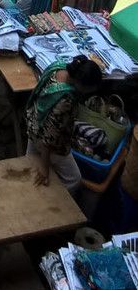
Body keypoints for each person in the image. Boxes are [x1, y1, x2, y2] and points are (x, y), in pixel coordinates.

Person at [25, 54, 102, 193]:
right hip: (45, 140)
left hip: (33, 123)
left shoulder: (56, 68)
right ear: (80, 84)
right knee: (73, 179)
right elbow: (49, 137)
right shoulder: (66, 100)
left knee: (29, 166)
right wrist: (45, 166)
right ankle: (55, 201)